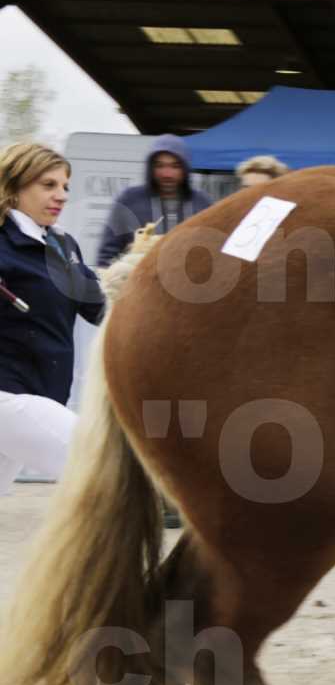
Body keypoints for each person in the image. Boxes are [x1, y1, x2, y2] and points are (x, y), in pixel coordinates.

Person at [0, 143, 104, 496]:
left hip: (42, 394)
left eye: (65, 187)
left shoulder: (62, 246)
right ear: (14, 187)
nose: (61, 195)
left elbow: (99, 307)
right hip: (10, 395)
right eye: (48, 185)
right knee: (103, 467)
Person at [97, 134, 213, 266]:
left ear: (185, 169)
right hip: (137, 283)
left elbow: (215, 251)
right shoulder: (130, 200)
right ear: (150, 168)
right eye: (160, 165)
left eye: (175, 166)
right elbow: (107, 255)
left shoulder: (202, 203)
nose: (167, 174)